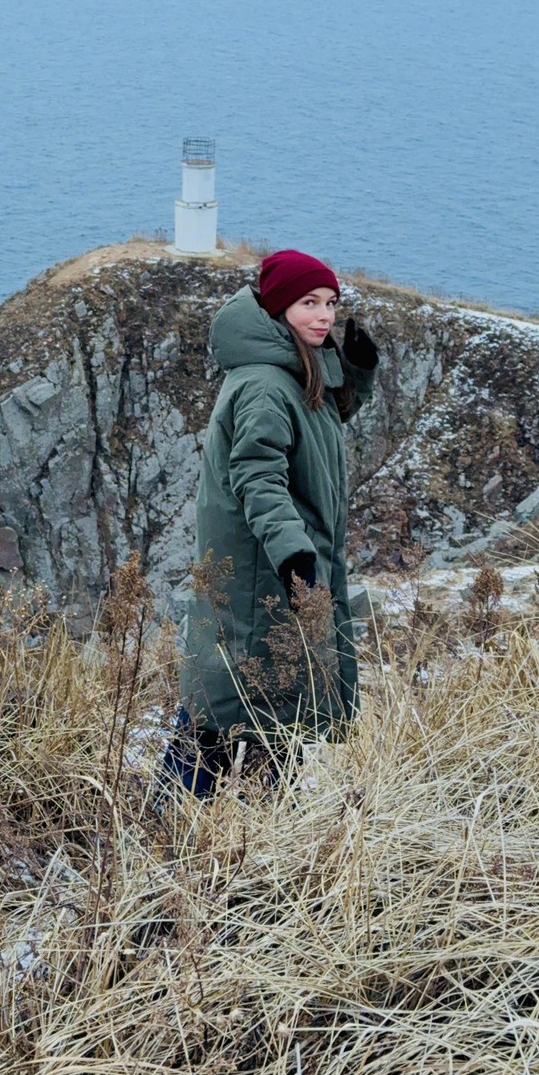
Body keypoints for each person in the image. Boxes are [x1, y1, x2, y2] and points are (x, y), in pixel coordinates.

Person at [163, 249, 379, 797]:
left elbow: (314, 425)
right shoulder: (264, 382)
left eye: (330, 303)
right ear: (280, 306)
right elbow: (258, 475)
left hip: (270, 571)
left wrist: (356, 372)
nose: (324, 315)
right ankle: (168, 829)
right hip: (261, 576)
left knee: (270, 712)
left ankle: (256, 839)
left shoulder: (291, 369)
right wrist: (295, 553)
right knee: (224, 717)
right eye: (309, 303)